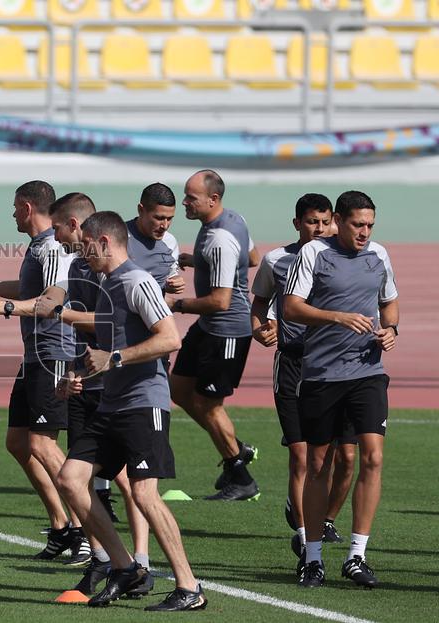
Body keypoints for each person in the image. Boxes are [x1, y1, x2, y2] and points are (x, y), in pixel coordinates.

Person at [57, 210, 206, 611]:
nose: (81, 252)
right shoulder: (107, 284)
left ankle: (189, 588)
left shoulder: (137, 281)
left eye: (86, 245)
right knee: (71, 479)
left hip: (144, 404)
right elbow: (102, 352)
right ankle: (126, 567)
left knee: (144, 494)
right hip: (111, 405)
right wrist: (76, 375)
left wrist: (115, 359)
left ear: (104, 242)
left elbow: (170, 339)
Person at [0, 181, 89, 565]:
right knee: (18, 442)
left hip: (54, 353)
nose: (11, 214)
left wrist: (2, 308)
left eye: (13, 207)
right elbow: (25, 288)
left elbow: (50, 301)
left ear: (26, 207)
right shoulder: (40, 246)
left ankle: (86, 531)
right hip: (35, 355)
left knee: (43, 444)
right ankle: (60, 526)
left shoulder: (54, 247)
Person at [284, 190, 398, 589]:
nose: (365, 232)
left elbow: (390, 304)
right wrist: (336, 317)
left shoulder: (378, 255)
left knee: (372, 458)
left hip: (368, 372)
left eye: (370, 225)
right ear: (338, 222)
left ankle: (356, 555)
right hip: (321, 375)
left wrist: (391, 330)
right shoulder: (315, 253)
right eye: (357, 225)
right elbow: (292, 307)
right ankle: (312, 558)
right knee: (318, 464)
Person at [39, 192, 152, 597]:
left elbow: (103, 322)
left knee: (129, 481)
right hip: (91, 380)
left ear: (79, 228)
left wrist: (36, 310)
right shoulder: (81, 266)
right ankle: (107, 560)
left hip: (123, 388)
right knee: (81, 479)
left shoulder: (120, 269)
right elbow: (82, 324)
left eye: (58, 227)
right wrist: (74, 370)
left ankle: (140, 561)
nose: (55, 236)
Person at [250, 194, 356, 561]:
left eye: (325, 222)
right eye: (312, 221)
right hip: (294, 365)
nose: (320, 228)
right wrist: (259, 328)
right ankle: (302, 534)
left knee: (346, 458)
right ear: (297, 223)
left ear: (335, 222)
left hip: (339, 367)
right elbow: (259, 302)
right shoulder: (277, 260)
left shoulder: (346, 260)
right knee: (302, 456)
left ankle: (323, 519)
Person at [169, 170, 260, 501]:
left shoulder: (219, 239)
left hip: (226, 330)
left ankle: (240, 475)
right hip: (209, 328)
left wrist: (174, 303)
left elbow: (220, 302)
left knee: (208, 405)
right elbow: (251, 258)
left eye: (191, 197)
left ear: (213, 199)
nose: (185, 203)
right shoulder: (234, 221)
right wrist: (199, 261)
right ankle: (237, 449)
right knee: (178, 389)